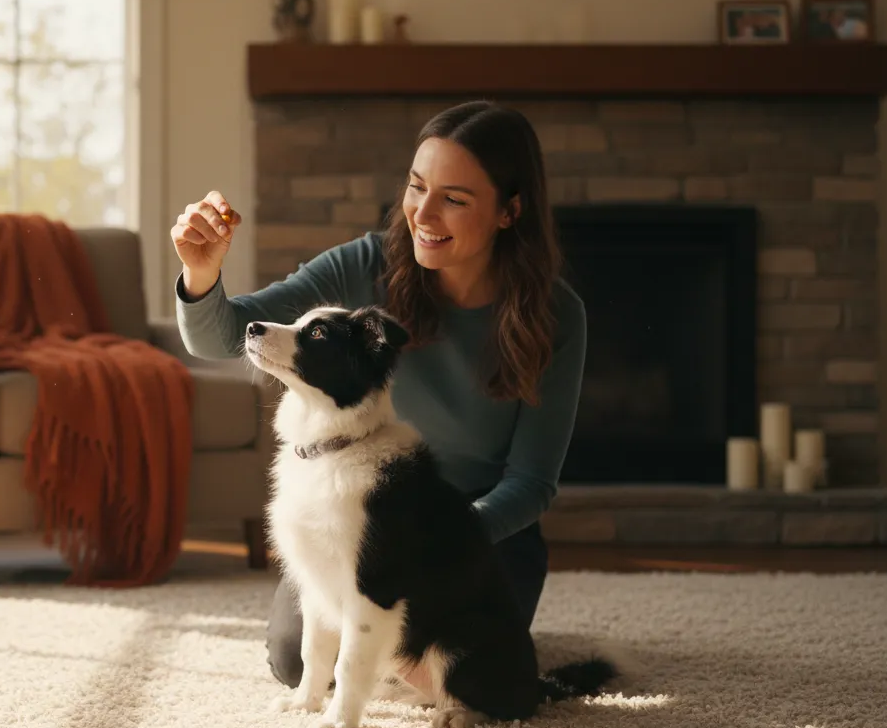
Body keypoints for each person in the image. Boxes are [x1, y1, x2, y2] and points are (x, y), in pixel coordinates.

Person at [169, 100, 587, 692]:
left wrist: (442, 540)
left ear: (509, 211)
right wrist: (201, 273)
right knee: (294, 661)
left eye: (455, 198)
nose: (423, 213)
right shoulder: (366, 264)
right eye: (417, 187)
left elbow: (532, 482)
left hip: (468, 531)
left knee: (459, 674)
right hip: (354, 521)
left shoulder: (557, 316)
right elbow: (222, 337)